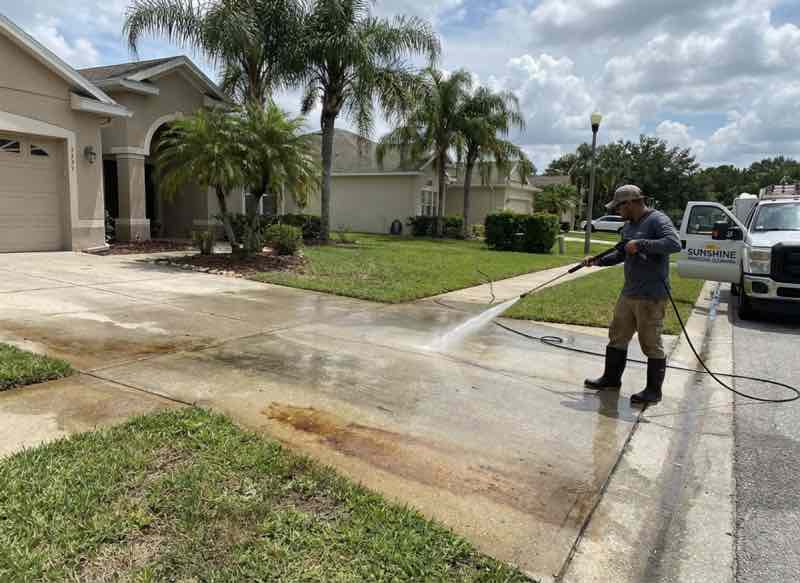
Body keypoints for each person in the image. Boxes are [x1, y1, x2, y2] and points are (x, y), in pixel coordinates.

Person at [583, 185, 682, 405]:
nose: (618, 211)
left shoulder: (657, 220)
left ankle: (653, 391)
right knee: (617, 336)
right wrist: (598, 261)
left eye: (618, 207)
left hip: (651, 295)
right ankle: (611, 379)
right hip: (629, 292)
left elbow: (674, 244)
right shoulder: (628, 226)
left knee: (650, 343)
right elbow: (621, 253)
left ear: (629, 203)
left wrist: (641, 244)